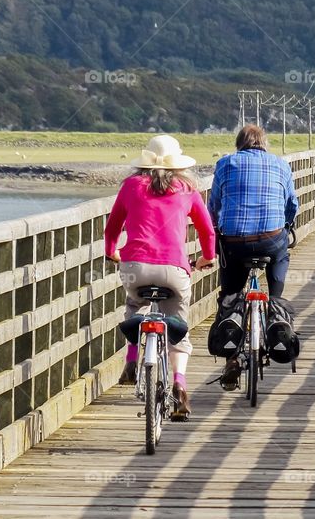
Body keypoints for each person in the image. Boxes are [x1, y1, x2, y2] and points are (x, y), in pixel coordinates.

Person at [104, 135, 216, 421]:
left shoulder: (130, 186)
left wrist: (112, 252)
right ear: (178, 165)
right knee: (178, 331)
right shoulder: (187, 187)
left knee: (134, 304)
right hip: (174, 269)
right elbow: (207, 231)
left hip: (135, 267)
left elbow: (113, 225)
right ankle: (179, 384)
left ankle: (131, 360)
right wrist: (207, 257)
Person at [208, 125, 300, 389]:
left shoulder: (225, 164)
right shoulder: (281, 165)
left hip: (234, 243)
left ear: (239, 144)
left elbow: (214, 205)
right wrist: (287, 224)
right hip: (271, 241)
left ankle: (230, 358)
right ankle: (275, 306)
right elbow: (291, 205)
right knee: (280, 260)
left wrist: (216, 228)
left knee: (230, 292)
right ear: (264, 144)